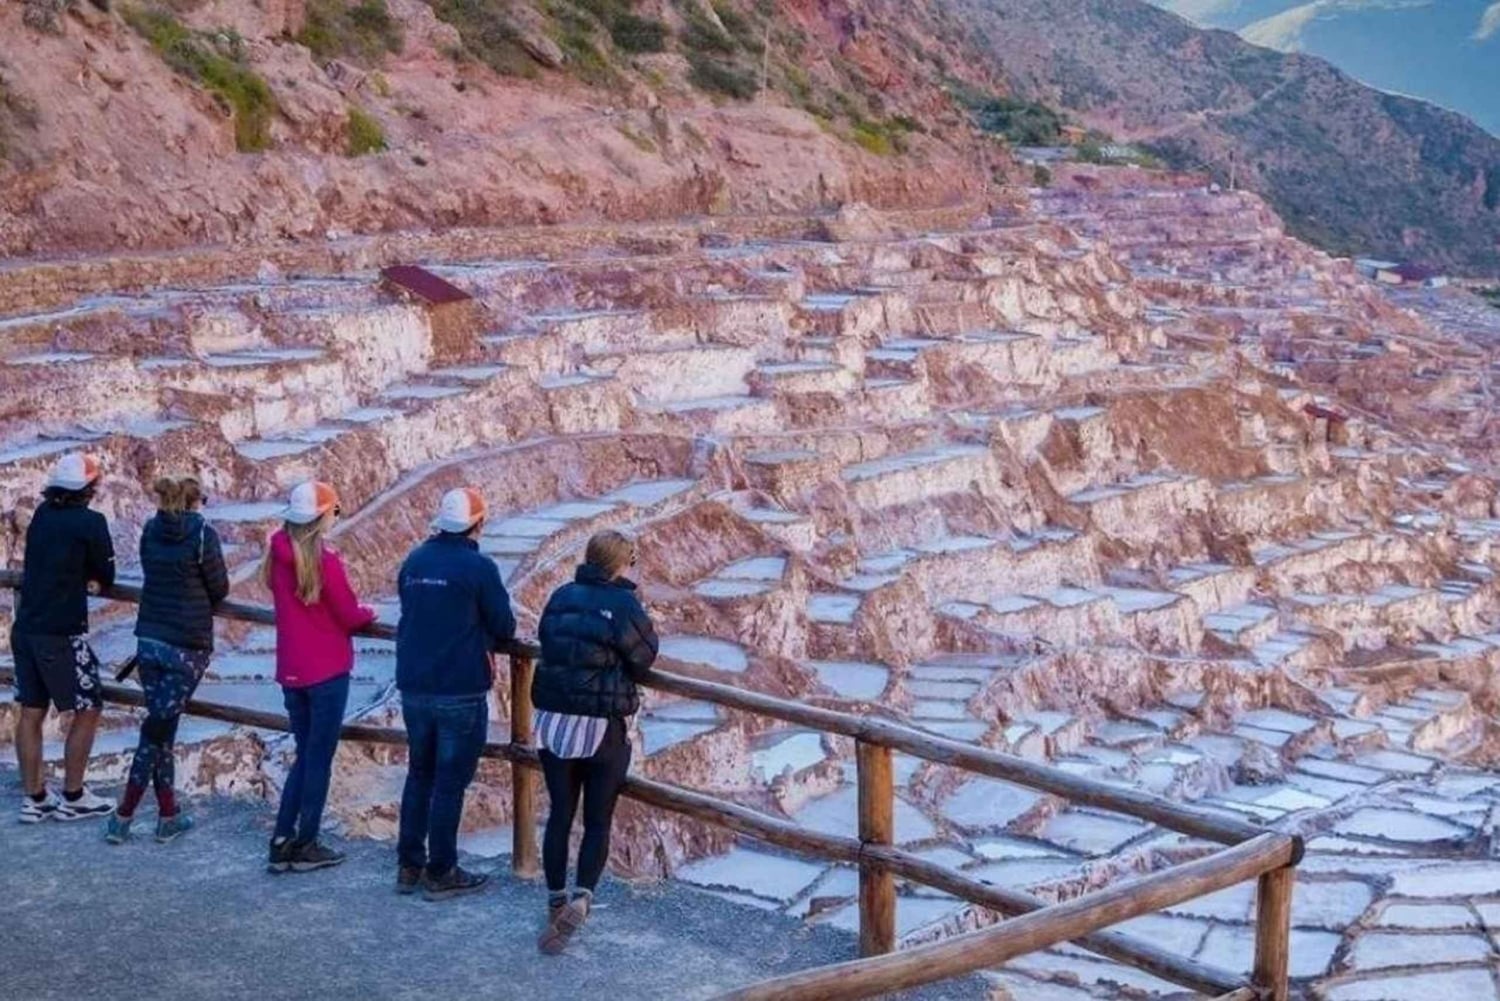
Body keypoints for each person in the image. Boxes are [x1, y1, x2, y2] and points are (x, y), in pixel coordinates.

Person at [532, 529, 658, 955]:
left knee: (560, 814)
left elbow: (548, 640)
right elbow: (644, 657)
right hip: (601, 726)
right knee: (598, 819)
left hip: (553, 721)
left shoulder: (561, 595)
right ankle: (583, 897)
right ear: (622, 563)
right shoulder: (624, 605)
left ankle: (554, 901)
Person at [394, 487, 516, 900]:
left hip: (414, 685)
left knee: (419, 774)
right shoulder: (478, 567)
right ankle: (442, 870)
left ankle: (409, 865)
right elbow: (505, 625)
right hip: (459, 688)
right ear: (478, 523)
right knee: (449, 783)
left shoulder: (415, 560)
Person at [106, 476, 229, 845]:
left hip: (149, 643)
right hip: (186, 647)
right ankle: (123, 815)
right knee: (156, 730)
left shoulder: (149, 530)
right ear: (195, 503)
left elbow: (150, 572)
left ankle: (167, 814)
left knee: (163, 727)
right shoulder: (204, 535)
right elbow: (219, 587)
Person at [262, 481, 375, 874]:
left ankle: (282, 840)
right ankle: (306, 841)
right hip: (326, 671)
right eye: (335, 511)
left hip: (292, 670)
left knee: (304, 754)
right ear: (323, 516)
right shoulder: (324, 562)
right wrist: (369, 614)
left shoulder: (277, 554)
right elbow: (348, 614)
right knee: (318, 758)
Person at [11, 452, 116, 823]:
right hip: (60, 632)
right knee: (89, 707)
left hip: (25, 627)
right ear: (89, 489)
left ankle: (35, 797)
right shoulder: (91, 522)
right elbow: (106, 573)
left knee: (32, 711)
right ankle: (73, 795)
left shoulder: (42, 514)